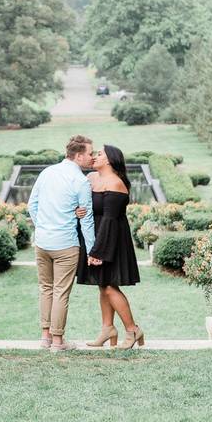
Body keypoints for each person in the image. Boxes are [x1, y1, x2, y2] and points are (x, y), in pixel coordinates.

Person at [27, 135, 94, 352]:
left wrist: (43, 226)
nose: (92, 157)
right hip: (65, 245)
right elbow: (87, 219)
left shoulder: (47, 172)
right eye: (90, 154)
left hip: (43, 242)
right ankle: (58, 342)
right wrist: (92, 249)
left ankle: (45, 338)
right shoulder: (81, 181)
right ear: (79, 155)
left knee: (45, 289)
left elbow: (32, 205)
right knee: (60, 292)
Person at [75, 144, 143, 349]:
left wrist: (98, 251)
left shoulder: (115, 183)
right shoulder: (91, 179)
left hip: (110, 239)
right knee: (103, 285)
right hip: (96, 237)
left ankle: (132, 330)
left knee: (110, 286)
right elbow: (85, 203)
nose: (94, 156)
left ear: (110, 160)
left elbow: (110, 220)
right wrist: (78, 210)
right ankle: (108, 329)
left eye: (99, 154)